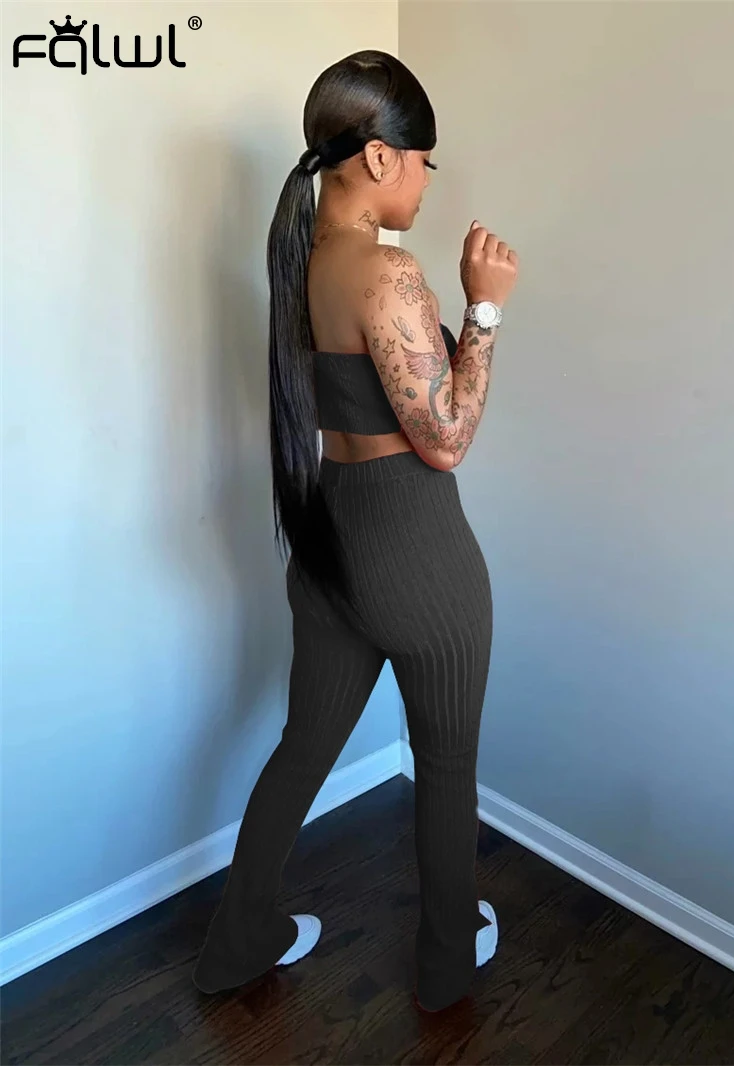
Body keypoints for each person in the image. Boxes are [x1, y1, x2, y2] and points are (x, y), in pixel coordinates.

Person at [192, 48, 518, 1013]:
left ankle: (237, 943)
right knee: (446, 768)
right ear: (379, 157)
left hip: (330, 542)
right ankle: (447, 963)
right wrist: (485, 306)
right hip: (417, 554)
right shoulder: (388, 273)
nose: (427, 179)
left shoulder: (297, 263)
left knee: (301, 747)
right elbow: (445, 440)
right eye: (423, 160)